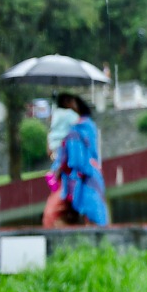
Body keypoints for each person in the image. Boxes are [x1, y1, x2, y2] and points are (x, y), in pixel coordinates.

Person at [42, 95, 109, 227]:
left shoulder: (81, 127)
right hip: (68, 180)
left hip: (84, 177)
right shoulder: (68, 129)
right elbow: (57, 154)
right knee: (55, 217)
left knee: (90, 217)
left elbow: (79, 158)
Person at [47, 93, 79, 158]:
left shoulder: (55, 113)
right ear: (66, 103)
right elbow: (79, 124)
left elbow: (51, 130)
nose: (75, 105)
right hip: (66, 148)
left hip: (53, 147)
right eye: (73, 102)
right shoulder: (70, 114)